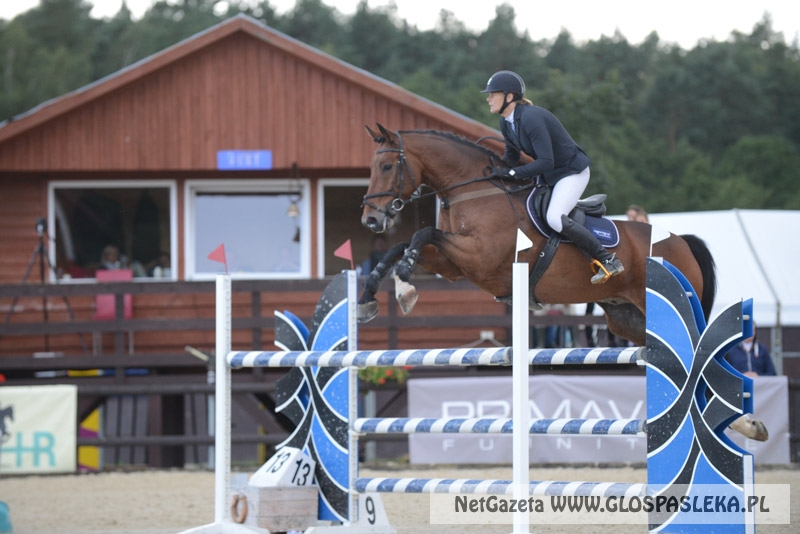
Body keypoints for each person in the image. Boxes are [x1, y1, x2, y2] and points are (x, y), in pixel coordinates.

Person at [482, 70, 623, 284]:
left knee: (555, 218)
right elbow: (511, 157)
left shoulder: (531, 118)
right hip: (550, 175)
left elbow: (546, 161)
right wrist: (493, 169)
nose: (488, 98)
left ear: (509, 97)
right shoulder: (507, 122)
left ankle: (608, 259)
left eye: (493, 94)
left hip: (571, 172)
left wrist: (511, 173)